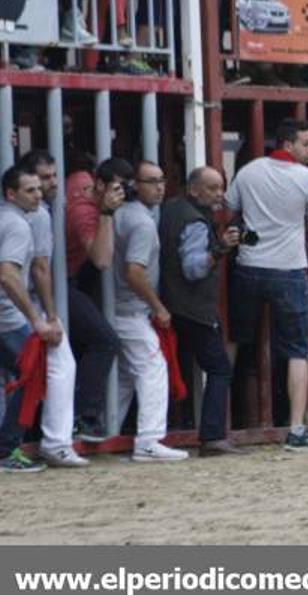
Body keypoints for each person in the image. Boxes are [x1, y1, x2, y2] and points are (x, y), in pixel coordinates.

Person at [226, 118, 308, 451]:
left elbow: (230, 213)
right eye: (306, 143)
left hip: (249, 266)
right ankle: (297, 429)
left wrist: (255, 232)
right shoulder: (306, 177)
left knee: (236, 340)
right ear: (288, 144)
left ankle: (219, 419)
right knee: (297, 349)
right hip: (288, 269)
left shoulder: (250, 171)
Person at [0, 163, 86, 472]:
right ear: (11, 194)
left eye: (39, 188)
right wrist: (37, 319)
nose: (38, 195)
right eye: (30, 190)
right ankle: (8, 449)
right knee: (31, 374)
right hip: (6, 318)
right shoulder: (18, 225)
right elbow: (9, 276)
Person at [158, 165, 247, 456]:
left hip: (171, 303)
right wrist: (220, 248)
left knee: (170, 368)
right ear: (194, 189)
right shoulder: (195, 221)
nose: (220, 194)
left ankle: (167, 428)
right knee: (220, 368)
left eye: (221, 187)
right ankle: (212, 436)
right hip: (193, 308)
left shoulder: (171, 208)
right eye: (213, 188)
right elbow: (193, 269)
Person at [111, 161, 188, 462]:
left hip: (118, 306)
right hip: (131, 308)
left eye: (161, 180)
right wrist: (159, 307)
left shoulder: (124, 214)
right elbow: (134, 272)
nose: (159, 187)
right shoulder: (142, 222)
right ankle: (149, 439)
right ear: (135, 185)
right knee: (153, 368)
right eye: (151, 181)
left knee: (127, 375)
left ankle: (108, 431)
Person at [62, 159, 126, 442]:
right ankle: (84, 418)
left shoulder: (79, 181)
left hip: (65, 280)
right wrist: (107, 213)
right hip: (58, 283)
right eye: (117, 189)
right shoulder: (86, 212)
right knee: (105, 341)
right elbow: (101, 260)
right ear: (99, 185)